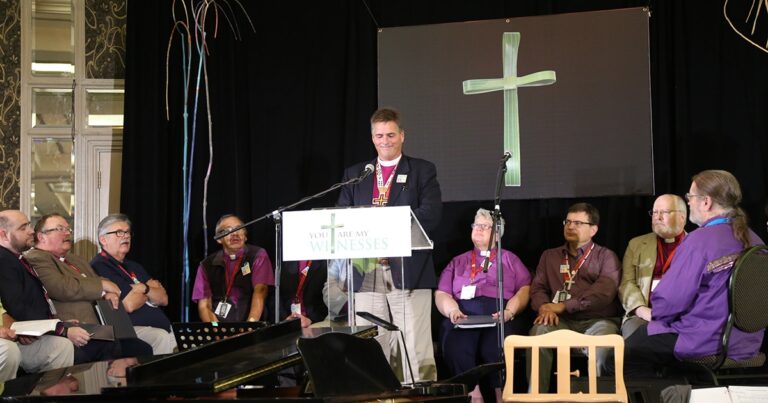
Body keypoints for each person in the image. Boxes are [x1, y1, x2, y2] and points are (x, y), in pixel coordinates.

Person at [336, 107, 442, 382]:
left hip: (407, 268)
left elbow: (430, 215)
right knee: (371, 343)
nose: (386, 141)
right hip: (366, 269)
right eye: (380, 135)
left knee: (414, 344)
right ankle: (377, 395)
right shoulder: (356, 173)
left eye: (391, 135)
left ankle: (420, 398)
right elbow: (342, 217)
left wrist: (387, 235)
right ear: (372, 138)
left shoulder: (421, 170)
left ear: (402, 136)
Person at [624, 170, 765, 376]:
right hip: (747, 344)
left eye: (690, 197)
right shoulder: (756, 240)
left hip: (705, 341)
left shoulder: (699, 241)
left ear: (706, 202)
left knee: (624, 353)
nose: (688, 202)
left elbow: (669, 302)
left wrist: (652, 313)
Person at [25, 213, 153, 359]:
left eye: (68, 229)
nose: (67, 233)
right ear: (42, 236)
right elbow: (60, 287)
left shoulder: (75, 259)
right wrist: (102, 286)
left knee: (142, 349)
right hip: (75, 327)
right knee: (133, 351)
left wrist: (106, 293)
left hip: (102, 326)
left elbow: (97, 278)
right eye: (60, 229)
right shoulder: (37, 257)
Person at [435, 208, 531, 400]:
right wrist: (452, 310)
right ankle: (474, 394)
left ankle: (501, 395)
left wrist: (509, 311)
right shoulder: (458, 261)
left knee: (495, 346)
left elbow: (525, 289)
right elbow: (442, 293)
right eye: (476, 225)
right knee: (455, 343)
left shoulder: (509, 259)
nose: (478, 229)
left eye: (484, 226)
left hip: (499, 313)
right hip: (464, 314)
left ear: (497, 233)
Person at [528, 202, 621, 392]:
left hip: (598, 321)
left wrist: (563, 306)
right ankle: (535, 397)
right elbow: (537, 288)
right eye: (568, 222)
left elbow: (603, 293)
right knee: (538, 334)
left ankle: (599, 398)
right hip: (559, 321)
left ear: (593, 229)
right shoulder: (549, 256)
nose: (570, 226)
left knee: (602, 346)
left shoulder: (606, 256)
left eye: (578, 223)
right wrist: (545, 307)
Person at [0, 210, 106, 368]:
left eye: (29, 225)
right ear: (4, 235)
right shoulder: (4, 260)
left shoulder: (17, 258)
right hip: (19, 335)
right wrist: (60, 328)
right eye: (23, 228)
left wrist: (56, 323)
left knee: (109, 343)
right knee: (67, 347)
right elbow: (17, 307)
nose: (31, 231)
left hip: (32, 331)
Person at [90, 214, 177, 354]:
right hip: (130, 329)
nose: (126, 236)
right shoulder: (100, 265)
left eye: (127, 232)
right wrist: (149, 293)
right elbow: (129, 304)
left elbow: (163, 299)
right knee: (160, 337)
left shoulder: (134, 266)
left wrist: (143, 288)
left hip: (162, 328)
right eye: (119, 232)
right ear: (103, 239)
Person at [618, 194, 687, 338]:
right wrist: (642, 310)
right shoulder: (636, 245)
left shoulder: (696, 246)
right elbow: (627, 284)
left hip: (682, 316)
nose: (658, 217)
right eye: (655, 212)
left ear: (682, 217)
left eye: (665, 212)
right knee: (635, 342)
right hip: (642, 315)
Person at [192, 214, 274, 322]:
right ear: (219, 239)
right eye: (228, 230)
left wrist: (250, 326)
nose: (234, 234)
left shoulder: (258, 255)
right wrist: (218, 332)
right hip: (220, 330)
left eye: (239, 229)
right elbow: (204, 305)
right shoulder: (206, 265)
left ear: (245, 236)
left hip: (252, 327)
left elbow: (261, 290)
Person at [279, 260, 328, 328]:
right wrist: (285, 319)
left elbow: (329, 297)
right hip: (288, 319)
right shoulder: (284, 259)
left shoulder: (326, 261)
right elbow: (276, 294)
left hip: (316, 321)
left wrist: (311, 320)